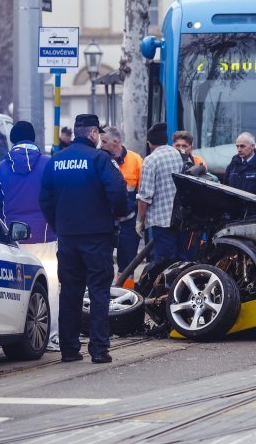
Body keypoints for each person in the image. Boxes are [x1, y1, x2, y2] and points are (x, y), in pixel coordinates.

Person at [39, 114, 127, 364]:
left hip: (67, 237)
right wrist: (117, 215)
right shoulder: (100, 159)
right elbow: (118, 190)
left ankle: (68, 349)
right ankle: (99, 350)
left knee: (70, 291)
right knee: (99, 291)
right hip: (97, 237)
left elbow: (44, 199)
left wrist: (59, 225)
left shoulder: (56, 161)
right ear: (93, 134)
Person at [0, 121, 60, 351]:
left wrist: (1, 234)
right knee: (49, 286)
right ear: (34, 138)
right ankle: (51, 337)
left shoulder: (0, 169)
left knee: (14, 290)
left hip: (13, 241)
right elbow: (58, 199)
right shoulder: (49, 165)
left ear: (12, 140)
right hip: (46, 238)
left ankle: (16, 334)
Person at [136, 122, 196, 264]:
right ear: (166, 140)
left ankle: (168, 286)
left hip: (162, 223)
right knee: (183, 261)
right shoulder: (179, 155)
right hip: (182, 219)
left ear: (149, 143)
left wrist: (140, 221)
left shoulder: (150, 161)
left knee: (165, 263)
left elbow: (144, 197)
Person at [100, 126, 144, 274]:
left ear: (116, 142)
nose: (101, 145)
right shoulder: (99, 159)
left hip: (129, 222)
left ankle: (126, 295)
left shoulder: (136, 160)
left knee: (127, 266)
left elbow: (143, 191)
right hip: (105, 221)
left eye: (104, 142)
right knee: (103, 264)